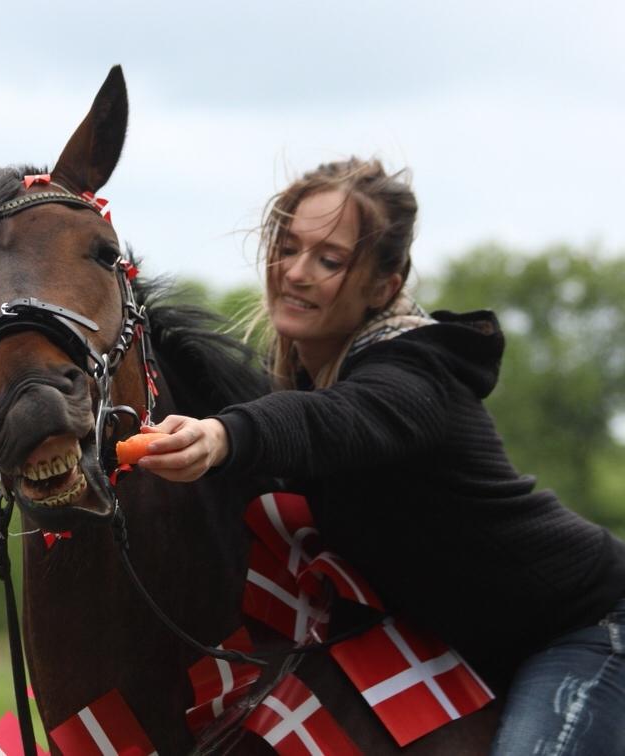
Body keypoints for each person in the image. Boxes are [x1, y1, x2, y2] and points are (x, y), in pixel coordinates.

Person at [136, 158, 625, 754]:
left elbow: (332, 422)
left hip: (590, 631)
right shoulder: (302, 384)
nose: (296, 272)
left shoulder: (417, 370)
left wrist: (221, 435)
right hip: (477, 646)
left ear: (383, 287)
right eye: (287, 248)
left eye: (330, 260)